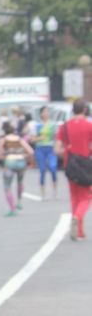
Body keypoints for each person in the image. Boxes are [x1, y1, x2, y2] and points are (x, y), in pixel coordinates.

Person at [56, 98, 92, 240]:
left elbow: (57, 149)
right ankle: (77, 218)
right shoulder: (89, 126)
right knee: (86, 197)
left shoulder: (64, 127)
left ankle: (79, 231)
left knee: (75, 197)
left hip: (69, 165)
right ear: (84, 110)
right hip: (84, 165)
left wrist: (67, 150)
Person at [0, 122, 34, 216]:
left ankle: (13, 209)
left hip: (10, 162)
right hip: (21, 162)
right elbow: (31, 151)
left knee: (7, 187)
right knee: (20, 182)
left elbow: (0, 155)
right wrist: (23, 155)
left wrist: (7, 155)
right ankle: (19, 201)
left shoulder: (3, 140)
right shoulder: (19, 139)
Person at [31, 105, 58, 199]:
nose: (46, 113)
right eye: (44, 112)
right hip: (40, 148)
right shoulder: (37, 125)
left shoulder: (53, 125)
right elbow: (32, 139)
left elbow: (57, 137)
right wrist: (39, 138)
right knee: (42, 170)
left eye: (47, 112)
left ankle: (55, 191)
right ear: (41, 114)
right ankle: (42, 193)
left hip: (50, 148)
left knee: (53, 167)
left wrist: (56, 147)